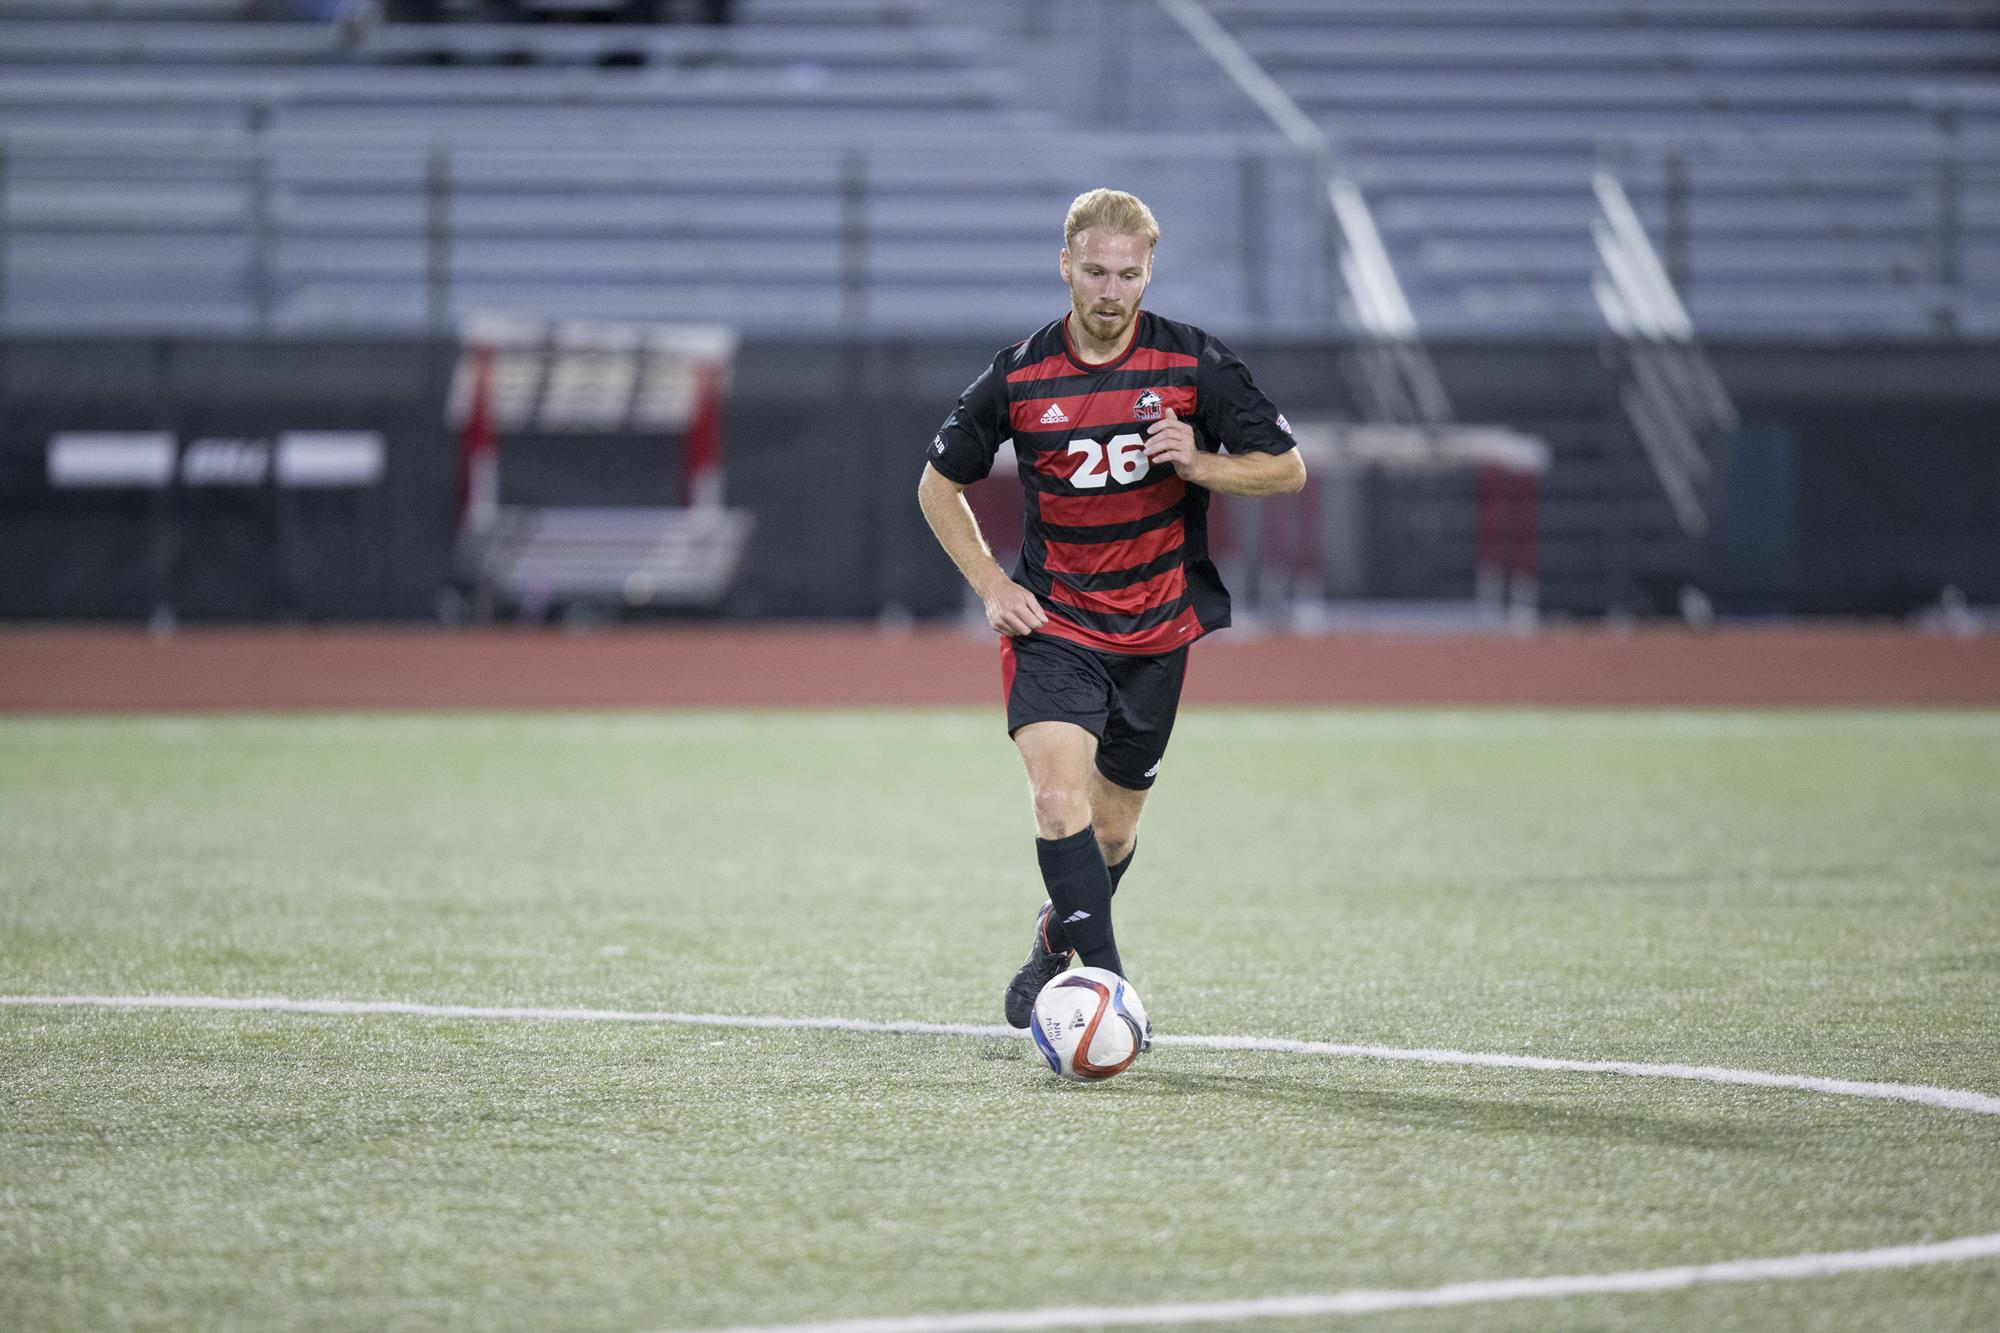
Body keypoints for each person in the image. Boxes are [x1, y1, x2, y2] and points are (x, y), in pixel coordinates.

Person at [917, 187, 1306, 1031]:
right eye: (1094, 271)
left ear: (1148, 272)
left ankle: (1059, 936)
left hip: (1159, 629)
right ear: (1065, 266)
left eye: (1128, 275)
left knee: (1114, 831)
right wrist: (992, 584)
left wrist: (1202, 462)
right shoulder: (1019, 373)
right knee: (1059, 802)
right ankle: (1111, 993)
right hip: (1054, 623)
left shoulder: (1194, 362)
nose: (1109, 291)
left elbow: (1285, 467)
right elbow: (937, 486)